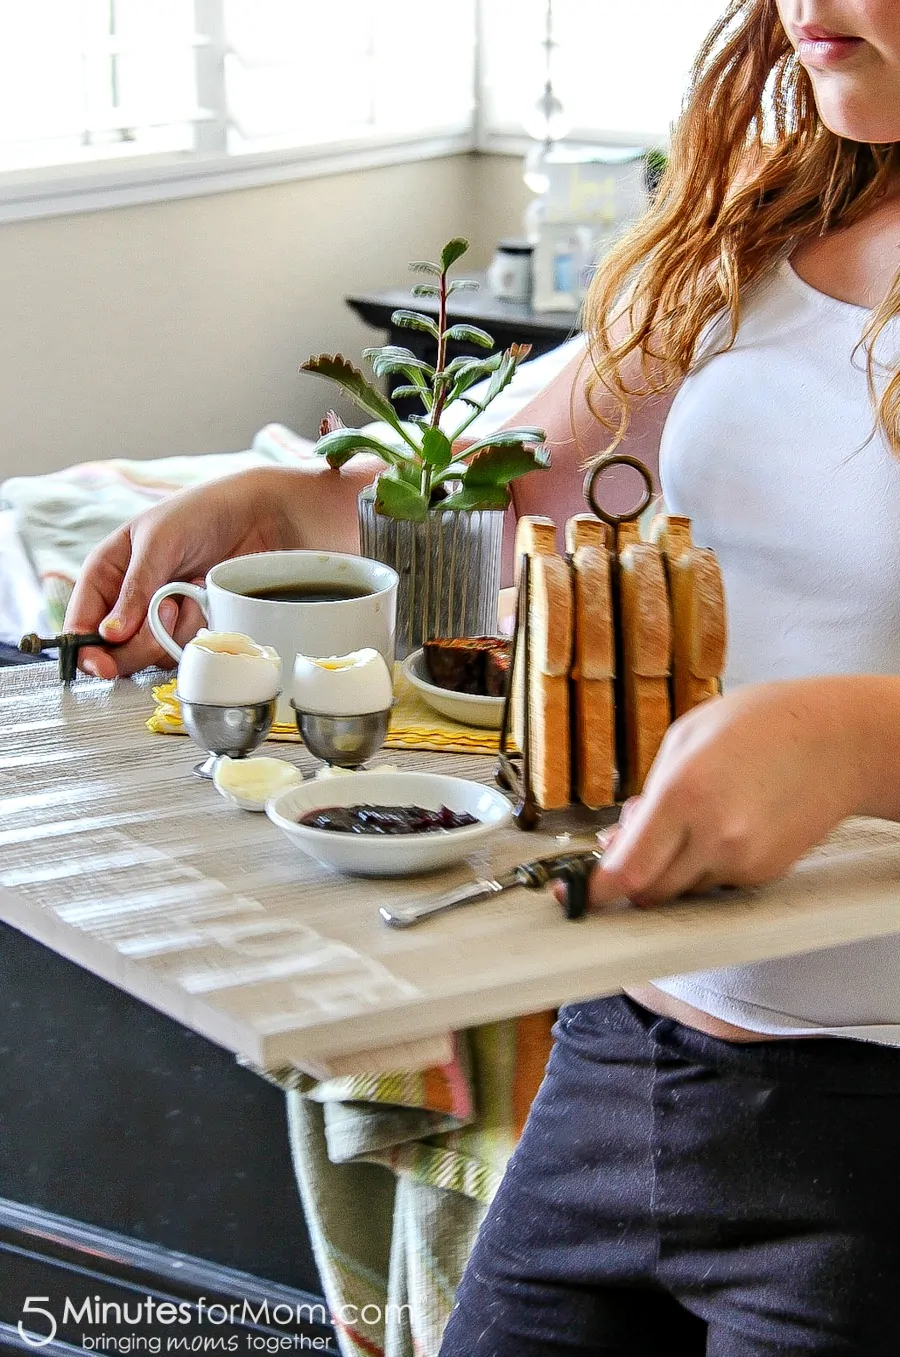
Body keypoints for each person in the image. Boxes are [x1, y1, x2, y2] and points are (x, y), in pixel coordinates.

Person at [67, 0, 900, 1348]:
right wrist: (285, 503)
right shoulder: (768, 222)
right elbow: (502, 481)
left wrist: (859, 743)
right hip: (628, 1057)